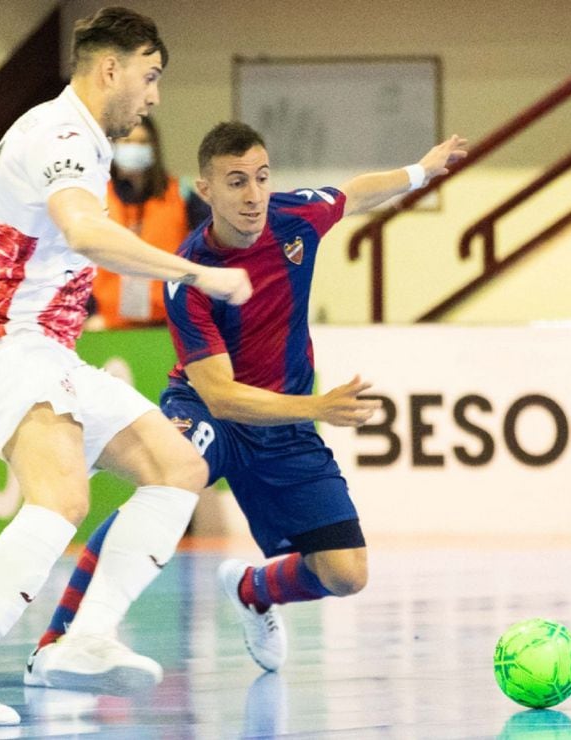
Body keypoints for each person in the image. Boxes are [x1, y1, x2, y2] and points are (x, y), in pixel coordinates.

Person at [0, 6, 251, 727]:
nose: (153, 97)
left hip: (45, 347)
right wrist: (197, 273)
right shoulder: (66, 137)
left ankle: (83, 641)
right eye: (148, 78)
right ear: (111, 69)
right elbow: (86, 232)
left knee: (178, 468)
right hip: (9, 344)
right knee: (59, 500)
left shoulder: (41, 125)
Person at [28, 122, 468, 681]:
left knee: (346, 573)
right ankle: (57, 640)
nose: (253, 194)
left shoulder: (296, 218)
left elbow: (356, 192)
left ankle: (252, 589)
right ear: (206, 190)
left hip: (283, 429)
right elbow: (222, 395)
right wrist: (317, 408)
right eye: (236, 182)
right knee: (167, 483)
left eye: (261, 178)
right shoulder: (189, 275)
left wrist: (421, 171)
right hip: (210, 412)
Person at [86, 116, 209, 330]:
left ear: (154, 146)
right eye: (127, 141)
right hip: (106, 325)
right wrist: (87, 313)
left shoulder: (180, 194)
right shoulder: (95, 195)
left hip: (168, 322)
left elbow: (212, 246)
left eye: (143, 142)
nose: (135, 147)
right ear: (114, 145)